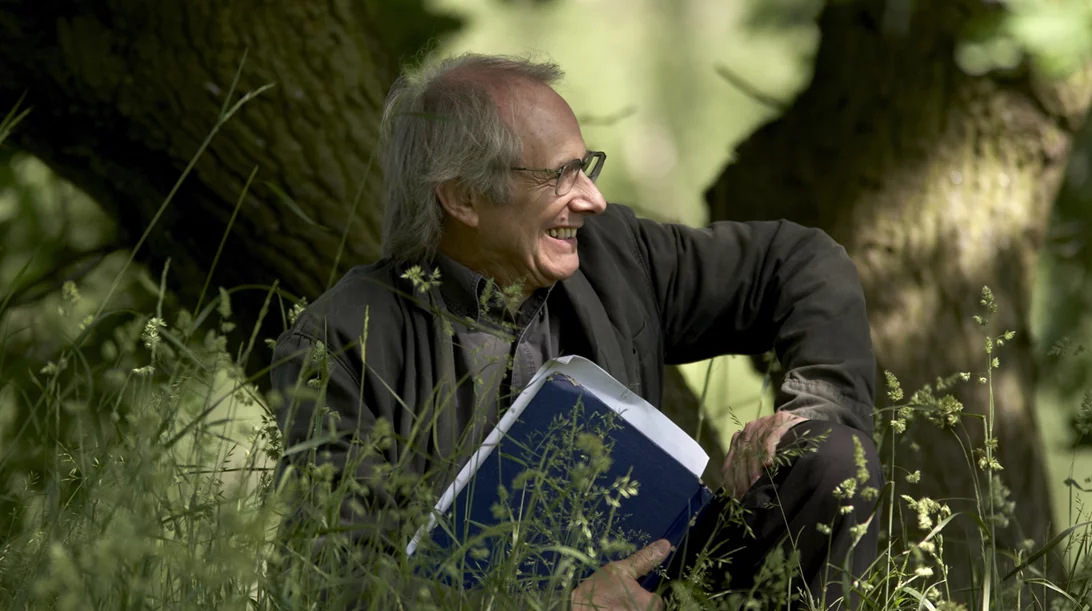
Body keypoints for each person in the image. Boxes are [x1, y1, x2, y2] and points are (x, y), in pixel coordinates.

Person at [270, 52, 882, 610]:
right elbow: (334, 582)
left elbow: (801, 263)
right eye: (560, 175)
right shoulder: (341, 342)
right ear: (464, 198)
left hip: (675, 580)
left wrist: (816, 406)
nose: (592, 199)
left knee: (830, 458)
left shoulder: (614, 251)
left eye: (586, 167)